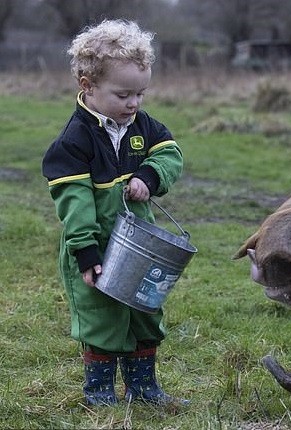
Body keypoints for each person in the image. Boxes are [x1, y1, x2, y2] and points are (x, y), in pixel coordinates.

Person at [42, 19, 186, 407]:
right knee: (102, 318)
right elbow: (74, 204)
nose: (134, 103)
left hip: (140, 246)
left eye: (140, 93)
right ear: (87, 86)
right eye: (124, 94)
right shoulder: (74, 141)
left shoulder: (143, 126)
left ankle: (143, 389)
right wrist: (86, 253)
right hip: (97, 247)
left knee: (145, 312)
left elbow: (170, 153)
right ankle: (99, 392)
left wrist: (150, 176)